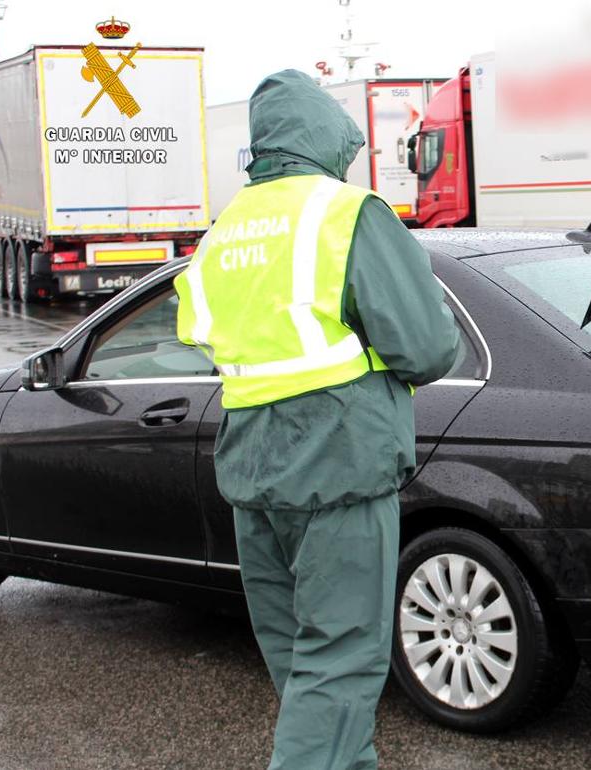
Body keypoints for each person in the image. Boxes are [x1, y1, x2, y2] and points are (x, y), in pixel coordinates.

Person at [175, 70, 460, 769]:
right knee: (338, 663)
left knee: (305, 668)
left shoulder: (223, 233)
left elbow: (209, 338)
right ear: (326, 136)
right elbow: (427, 348)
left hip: (253, 476)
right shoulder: (344, 212)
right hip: (338, 468)